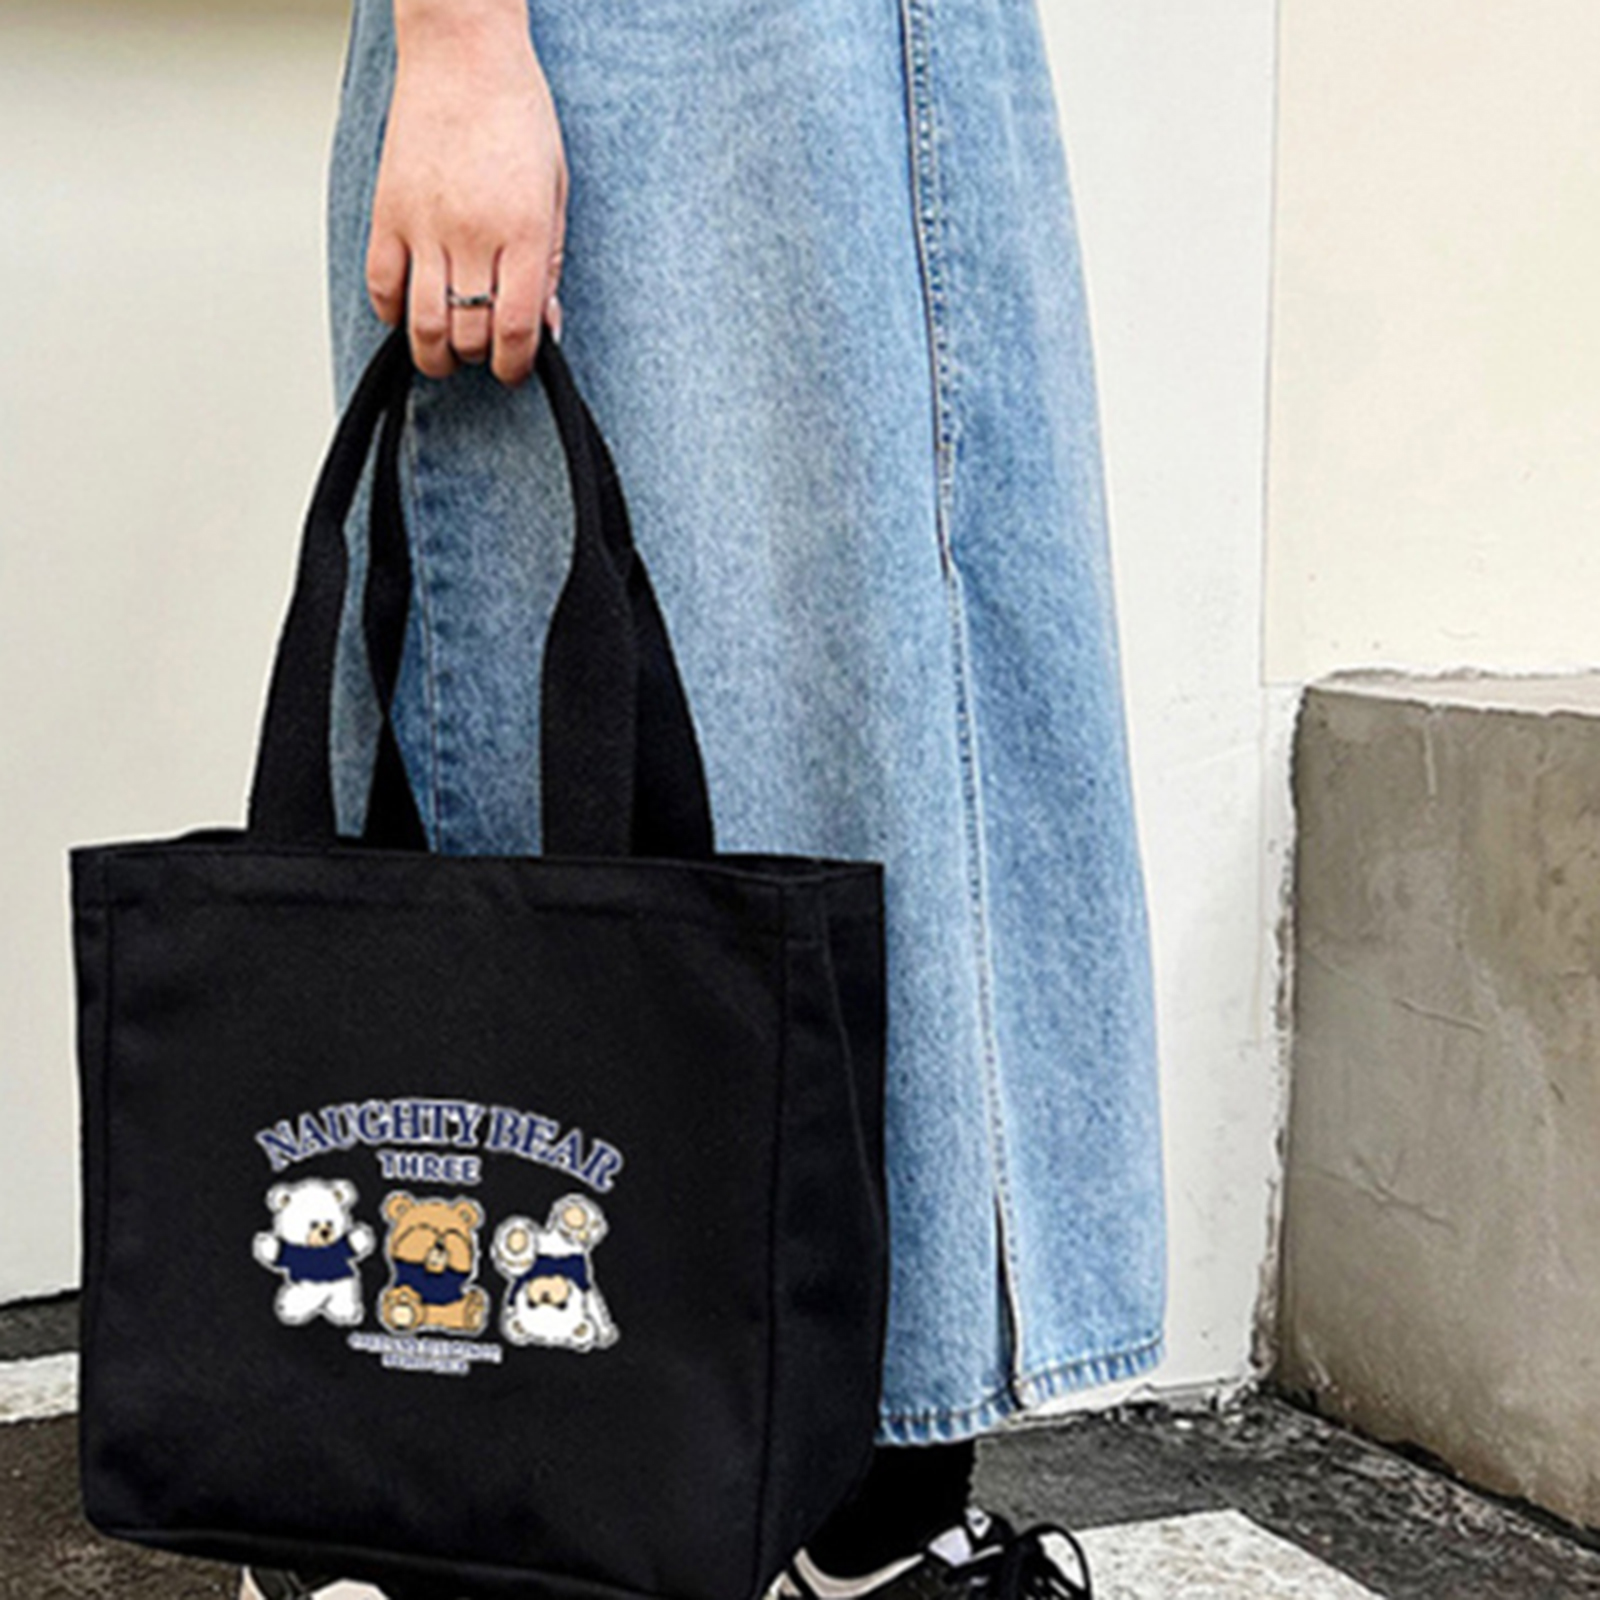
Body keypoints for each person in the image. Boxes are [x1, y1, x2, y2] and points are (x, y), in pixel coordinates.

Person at [244, 0, 1165, 1595]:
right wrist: (459, 47)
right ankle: (419, 1503)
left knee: (901, 756)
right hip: (626, 57)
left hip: (916, 66)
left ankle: (871, 1524)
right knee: (551, 743)